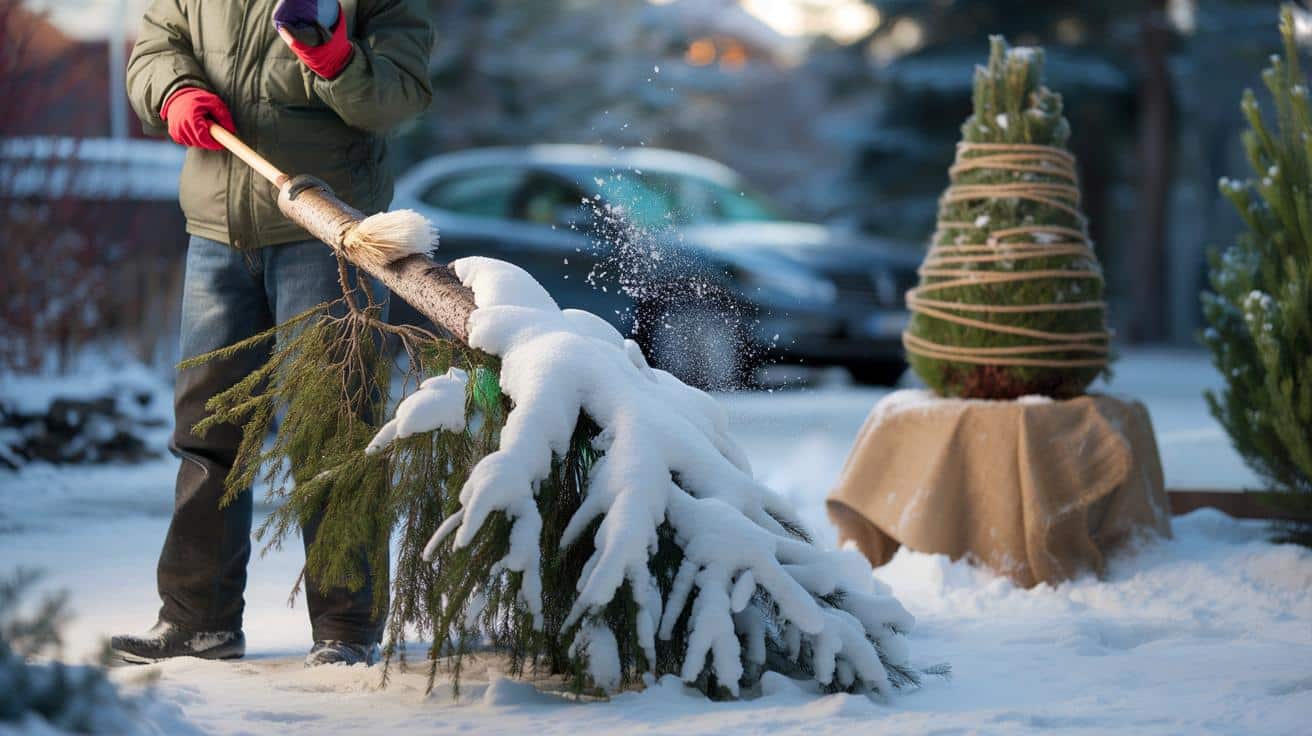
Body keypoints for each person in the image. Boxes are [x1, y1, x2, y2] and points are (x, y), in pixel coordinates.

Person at [110, 0, 432, 667]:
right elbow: (155, 46)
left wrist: (338, 62)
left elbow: (399, 97)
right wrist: (174, 91)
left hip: (327, 229)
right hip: (216, 230)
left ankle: (346, 629)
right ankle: (198, 621)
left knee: (335, 431)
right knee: (207, 434)